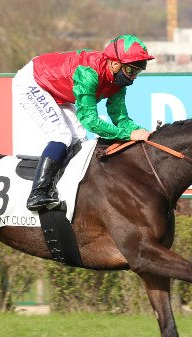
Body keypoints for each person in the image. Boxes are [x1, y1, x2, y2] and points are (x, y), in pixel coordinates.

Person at [13, 34, 155, 211]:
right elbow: (90, 120)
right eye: (131, 71)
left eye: (138, 72)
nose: (134, 78)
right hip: (34, 82)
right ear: (115, 63)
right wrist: (129, 134)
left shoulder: (119, 82)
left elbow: (120, 118)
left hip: (57, 91)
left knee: (80, 138)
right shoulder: (88, 73)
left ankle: (65, 189)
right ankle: (37, 193)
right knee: (62, 134)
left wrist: (140, 132)